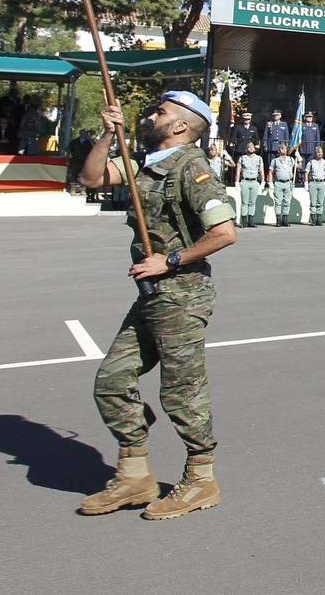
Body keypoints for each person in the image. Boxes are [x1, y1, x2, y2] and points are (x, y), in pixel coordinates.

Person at [77, 89, 236, 520]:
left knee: (182, 392)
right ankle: (134, 476)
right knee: (112, 381)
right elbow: (91, 178)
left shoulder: (192, 167)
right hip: (152, 296)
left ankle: (201, 479)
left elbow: (224, 233)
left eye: (159, 112)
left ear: (181, 125)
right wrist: (107, 134)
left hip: (182, 295)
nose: (149, 116)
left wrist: (169, 260)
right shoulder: (146, 164)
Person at [234, 141, 263, 227]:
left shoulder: (259, 158)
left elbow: (261, 171)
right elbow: (238, 171)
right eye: (249, 147)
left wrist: (263, 182)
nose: (251, 148)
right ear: (246, 149)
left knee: (252, 202)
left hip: (254, 181)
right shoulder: (242, 158)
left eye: (252, 147)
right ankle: (244, 221)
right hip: (245, 181)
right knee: (244, 202)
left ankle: (251, 220)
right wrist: (237, 182)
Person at [270, 145, 298, 227]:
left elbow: (298, 166)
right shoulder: (275, 161)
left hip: (288, 183)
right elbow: (270, 172)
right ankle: (278, 220)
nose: (284, 150)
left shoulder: (291, 159)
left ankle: (285, 219)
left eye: (285, 148)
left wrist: (299, 158)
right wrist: (270, 182)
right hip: (278, 183)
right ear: (278, 151)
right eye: (282, 148)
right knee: (278, 202)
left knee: (287, 202)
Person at [305, 145, 325, 226]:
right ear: (315, 153)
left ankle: (319, 219)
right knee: (313, 202)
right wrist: (306, 183)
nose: (320, 154)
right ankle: (313, 219)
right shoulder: (311, 163)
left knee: (320, 202)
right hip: (313, 183)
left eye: (321, 152)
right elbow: (306, 173)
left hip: (322, 183)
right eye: (318, 152)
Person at [298, 112, 322, 179]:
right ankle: (301, 178)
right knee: (303, 164)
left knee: (310, 163)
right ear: (305, 118)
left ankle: (309, 177)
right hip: (303, 148)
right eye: (308, 117)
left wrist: (317, 147)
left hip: (312, 148)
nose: (310, 118)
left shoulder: (315, 125)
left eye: (311, 117)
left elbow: (317, 137)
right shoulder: (302, 125)